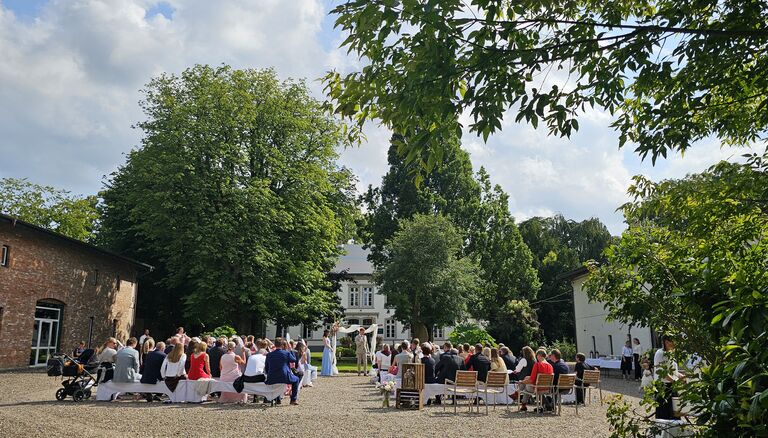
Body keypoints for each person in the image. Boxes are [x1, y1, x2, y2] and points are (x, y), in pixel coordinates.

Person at [654, 336, 683, 420]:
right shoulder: (660, 353)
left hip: (672, 385)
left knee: (675, 409)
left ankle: (675, 429)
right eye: (673, 341)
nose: (675, 344)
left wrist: (681, 377)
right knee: (665, 411)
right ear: (666, 342)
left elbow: (673, 371)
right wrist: (674, 380)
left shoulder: (670, 353)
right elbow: (660, 371)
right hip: (663, 386)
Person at [264, 338, 300, 405]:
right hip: (284, 376)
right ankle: (293, 400)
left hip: (271, 377)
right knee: (296, 380)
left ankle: (277, 399)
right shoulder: (286, 353)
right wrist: (290, 350)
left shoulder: (269, 355)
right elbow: (294, 360)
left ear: (275, 344)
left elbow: (267, 368)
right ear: (283, 345)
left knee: (276, 381)